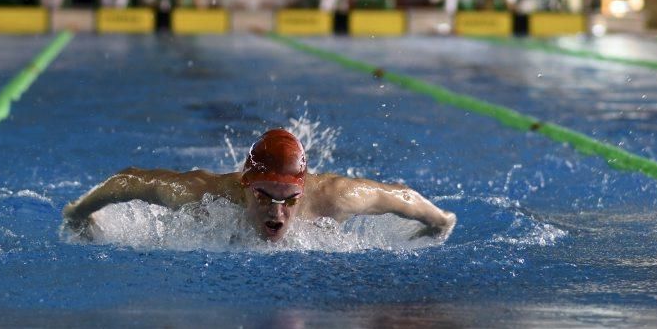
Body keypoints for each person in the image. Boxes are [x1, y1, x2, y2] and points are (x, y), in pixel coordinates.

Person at [63, 128, 456, 243]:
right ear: (244, 185)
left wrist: (439, 220)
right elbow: (130, 179)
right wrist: (79, 213)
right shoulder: (205, 193)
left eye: (289, 200)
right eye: (264, 197)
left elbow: (398, 195)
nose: (277, 212)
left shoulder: (335, 197)